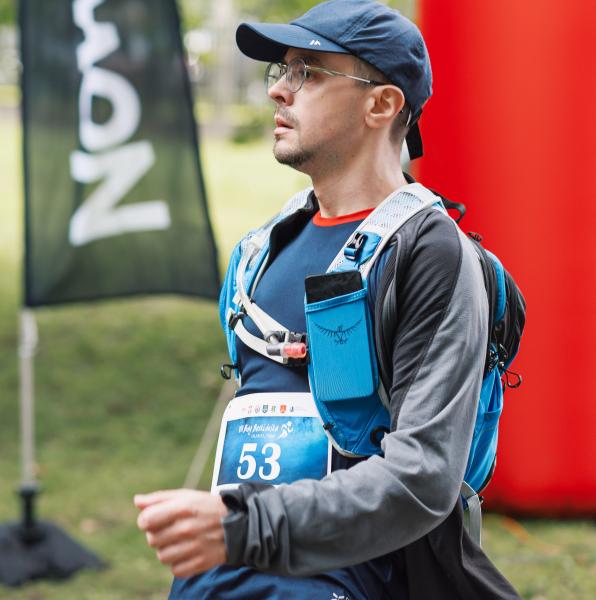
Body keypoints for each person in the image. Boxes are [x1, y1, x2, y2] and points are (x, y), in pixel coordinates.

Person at [135, 1, 522, 598]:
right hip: (224, 572)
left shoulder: (429, 255)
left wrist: (248, 527)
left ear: (381, 105)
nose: (278, 91)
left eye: (307, 73)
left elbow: (421, 478)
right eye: (281, 71)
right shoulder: (260, 252)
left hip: (355, 581)